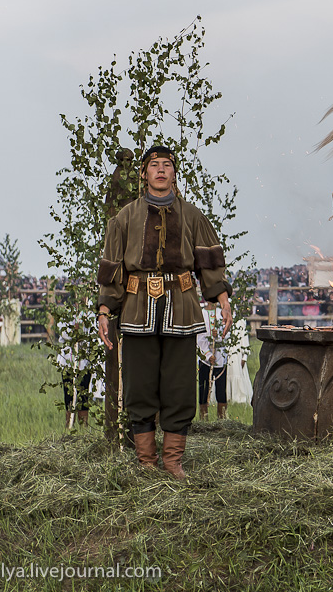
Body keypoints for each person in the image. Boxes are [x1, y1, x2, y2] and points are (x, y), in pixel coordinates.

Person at [96, 145, 232, 479]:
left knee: (178, 387)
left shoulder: (193, 216)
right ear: (143, 173)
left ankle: (173, 462)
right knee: (139, 386)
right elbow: (113, 268)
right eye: (153, 165)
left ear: (174, 173)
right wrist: (104, 309)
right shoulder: (124, 218)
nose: (160, 170)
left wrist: (223, 299)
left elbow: (210, 262)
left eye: (167, 165)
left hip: (181, 308)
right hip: (136, 309)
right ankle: (146, 462)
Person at [196, 302, 228, 420]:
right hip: (205, 357)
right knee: (203, 387)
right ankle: (203, 418)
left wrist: (219, 334)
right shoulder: (201, 313)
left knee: (221, 388)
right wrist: (208, 354)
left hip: (220, 356)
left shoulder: (222, 313)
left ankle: (222, 418)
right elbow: (199, 337)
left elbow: (229, 333)